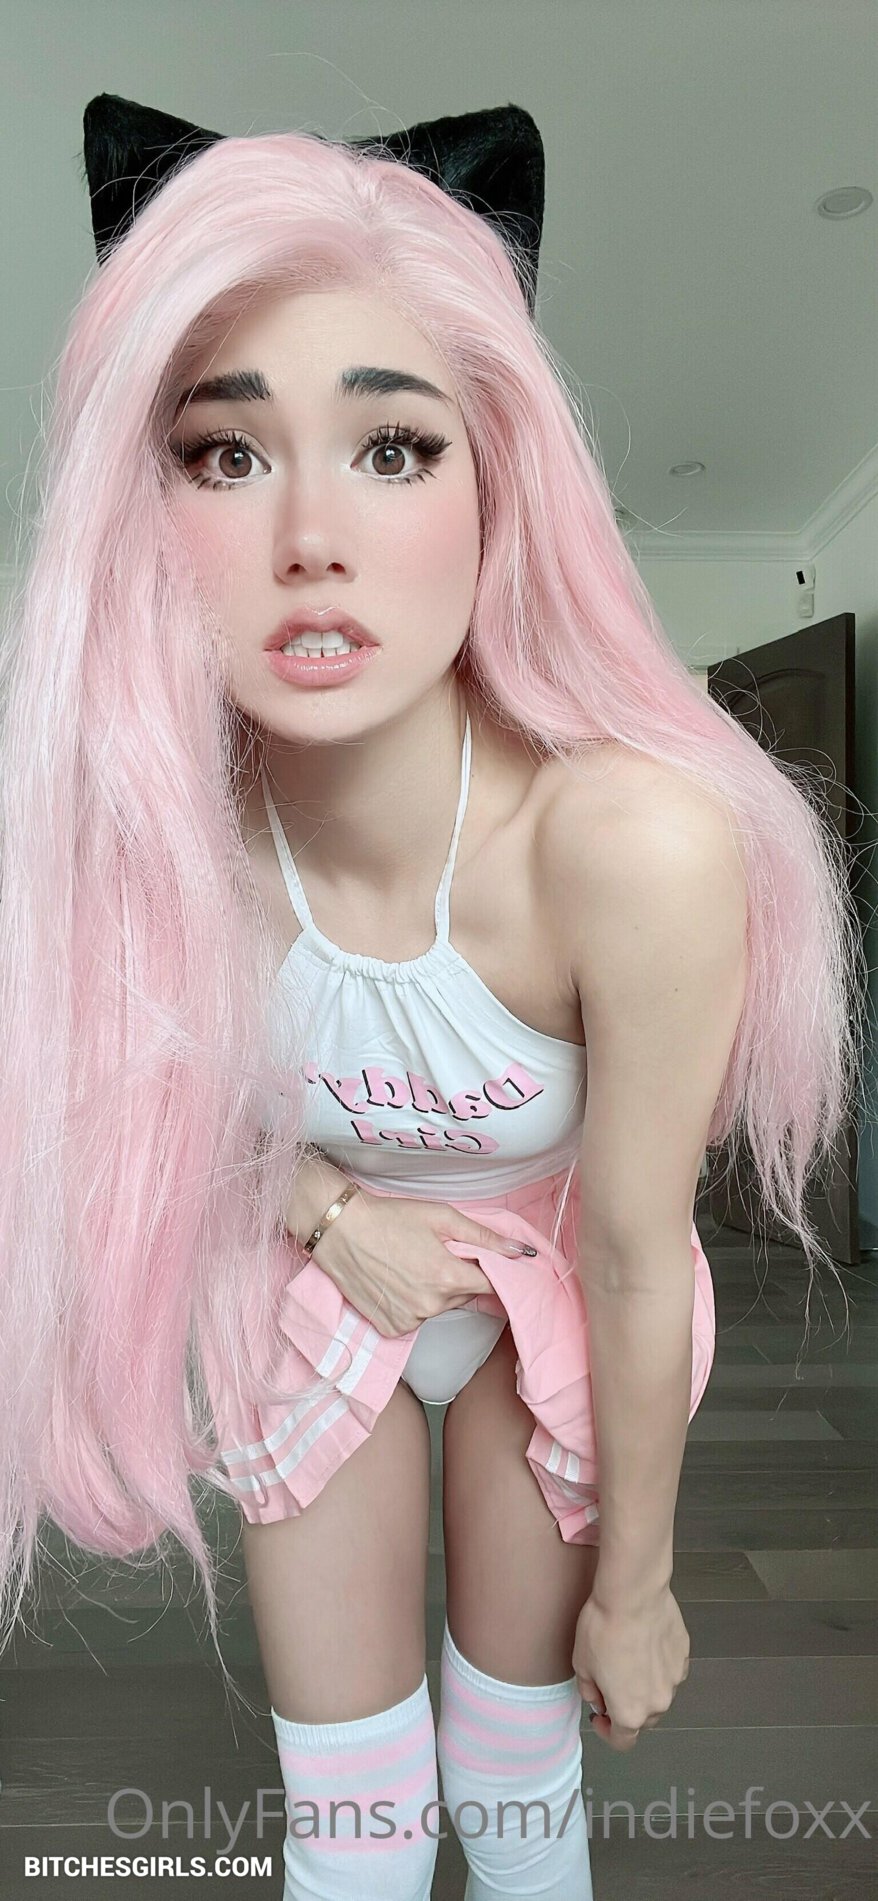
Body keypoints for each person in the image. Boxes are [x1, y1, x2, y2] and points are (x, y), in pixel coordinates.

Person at [0, 93, 865, 1901]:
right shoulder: (145, 848)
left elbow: (633, 1251)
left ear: (496, 483)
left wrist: (640, 1585)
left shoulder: (629, 849)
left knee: (517, 1779)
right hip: (314, 1283)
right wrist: (331, 1213)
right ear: (139, 509)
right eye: (223, 455)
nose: (310, 535)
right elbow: (150, 1130)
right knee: (355, 1818)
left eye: (392, 446)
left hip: (558, 1296)